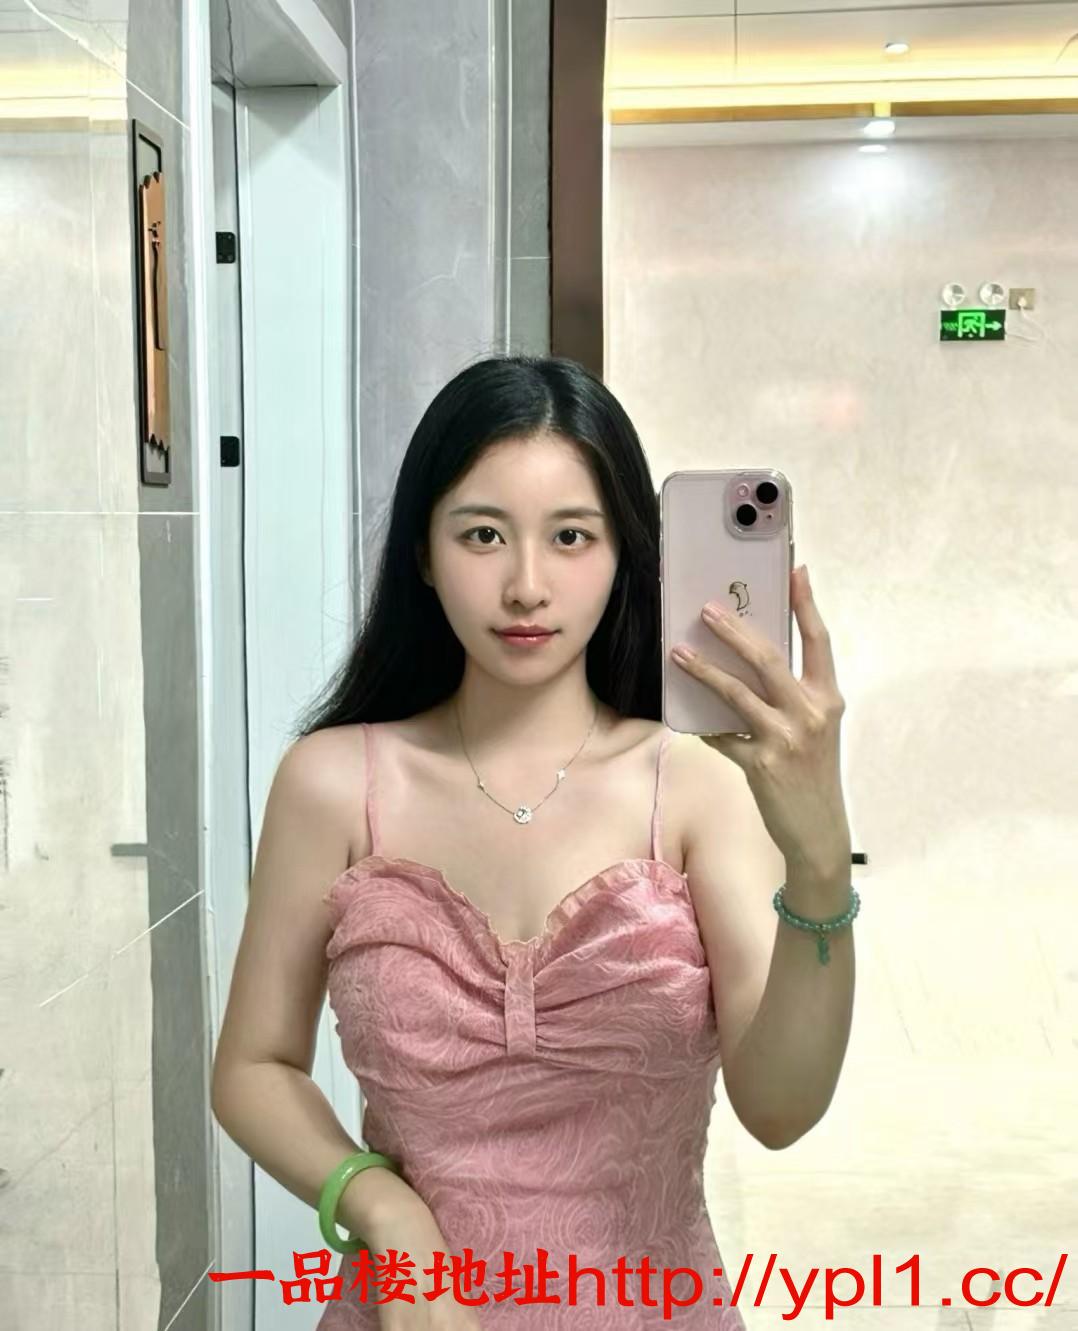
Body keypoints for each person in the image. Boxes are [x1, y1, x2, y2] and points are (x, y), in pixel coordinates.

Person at [211, 355, 856, 1328]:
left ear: (624, 554)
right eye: (482, 534)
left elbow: (780, 1108)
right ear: (423, 551)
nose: (525, 585)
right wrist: (386, 1211)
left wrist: (818, 862)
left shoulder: (697, 786)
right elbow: (253, 1065)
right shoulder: (333, 782)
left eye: (571, 536)